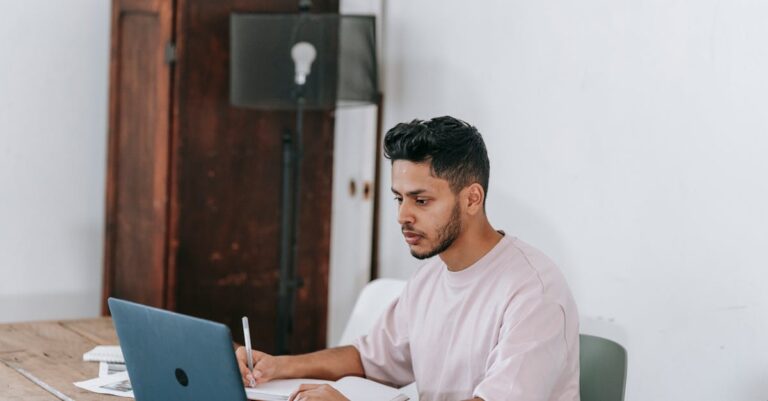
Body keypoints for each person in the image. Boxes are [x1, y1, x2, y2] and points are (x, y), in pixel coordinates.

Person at [236, 116, 580, 401]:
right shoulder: (429, 278)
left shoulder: (535, 292)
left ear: (472, 199)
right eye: (399, 198)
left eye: (421, 200)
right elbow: (368, 359)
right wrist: (278, 366)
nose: (402, 216)